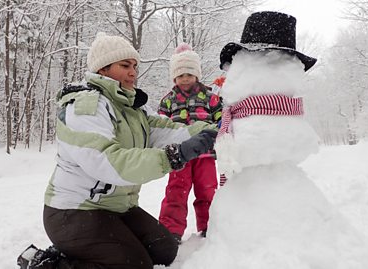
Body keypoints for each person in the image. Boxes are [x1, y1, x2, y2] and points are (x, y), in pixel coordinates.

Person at [19, 32, 218, 269]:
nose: (133, 72)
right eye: (125, 65)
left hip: (115, 208)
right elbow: (106, 161)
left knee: (164, 250)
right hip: (73, 212)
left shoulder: (131, 107)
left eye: (134, 65)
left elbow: (168, 130)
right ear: (103, 69)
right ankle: (46, 264)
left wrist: (212, 131)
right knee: (133, 264)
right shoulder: (86, 106)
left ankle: (90, 249)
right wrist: (172, 156)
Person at [157, 43, 222, 243]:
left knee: (207, 189)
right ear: (174, 77)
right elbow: (160, 125)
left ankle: (209, 226)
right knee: (176, 191)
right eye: (180, 75)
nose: (185, 79)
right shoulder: (168, 100)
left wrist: (216, 131)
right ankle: (171, 230)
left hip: (205, 155)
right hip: (179, 156)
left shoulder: (210, 98)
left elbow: (221, 120)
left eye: (189, 74)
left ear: (197, 75)